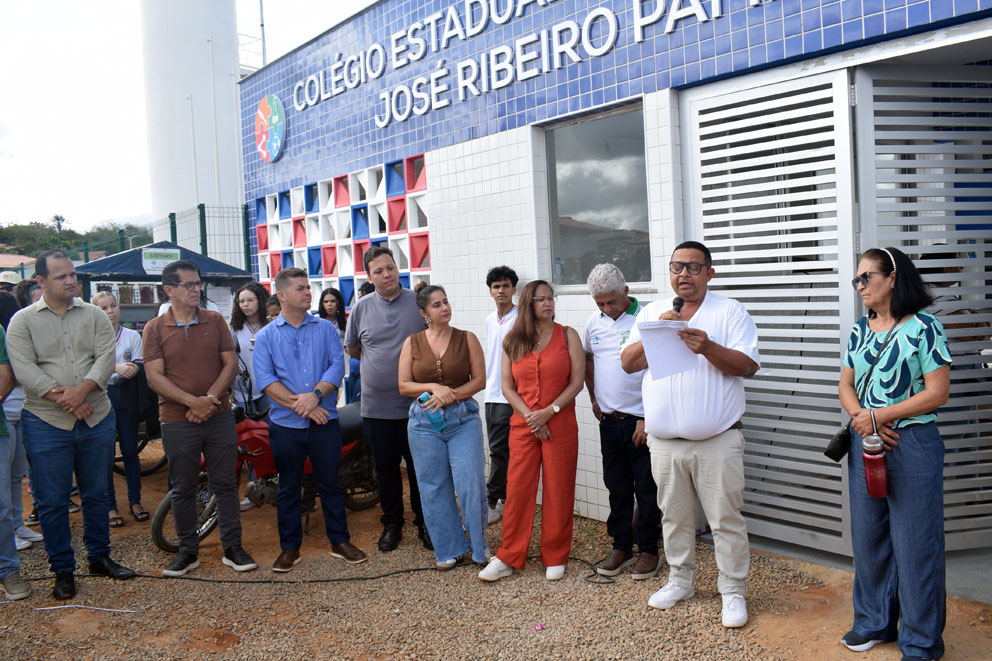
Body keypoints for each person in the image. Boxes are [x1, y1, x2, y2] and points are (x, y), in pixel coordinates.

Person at [620, 240, 759, 628]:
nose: (684, 274)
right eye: (677, 267)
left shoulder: (729, 311)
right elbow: (628, 364)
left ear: (710, 273)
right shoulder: (651, 312)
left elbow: (748, 366)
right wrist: (657, 332)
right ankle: (681, 580)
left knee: (725, 519)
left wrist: (708, 346)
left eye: (694, 268)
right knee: (674, 518)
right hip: (664, 442)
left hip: (717, 439)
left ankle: (732, 590)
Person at [837, 247, 950, 659]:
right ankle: (874, 622)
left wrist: (878, 415)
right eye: (857, 279)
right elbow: (845, 385)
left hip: (912, 445)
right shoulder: (859, 330)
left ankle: (921, 642)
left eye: (867, 277)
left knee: (916, 544)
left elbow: (937, 393)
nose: (860, 286)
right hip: (866, 442)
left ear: (894, 278)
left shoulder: (925, 328)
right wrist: (862, 418)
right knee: (869, 539)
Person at [6, 250, 135, 600]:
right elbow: (25, 369)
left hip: (96, 417)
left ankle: (99, 557)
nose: (70, 281)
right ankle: (62, 569)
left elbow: (105, 357)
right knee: (52, 499)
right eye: (61, 276)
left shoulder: (94, 315)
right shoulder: (22, 321)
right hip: (46, 421)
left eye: (72, 275)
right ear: (41, 281)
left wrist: (81, 394)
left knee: (97, 493)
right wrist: (66, 398)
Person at [143, 260, 257, 577]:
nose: (197, 289)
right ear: (169, 290)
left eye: (198, 283)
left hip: (218, 415)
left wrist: (208, 400)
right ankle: (187, 551)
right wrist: (192, 402)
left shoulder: (215, 320)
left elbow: (230, 364)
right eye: (189, 285)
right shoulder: (154, 328)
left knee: (224, 483)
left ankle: (232, 547)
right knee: (183, 487)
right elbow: (154, 377)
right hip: (177, 420)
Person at [253, 268, 367, 572]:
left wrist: (314, 396)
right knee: (289, 487)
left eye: (308, 287)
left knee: (330, 485)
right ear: (282, 295)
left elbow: (335, 367)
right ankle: (290, 549)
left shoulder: (327, 330)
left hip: (324, 422)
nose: (308, 293)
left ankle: (340, 542)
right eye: (301, 288)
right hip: (286, 427)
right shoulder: (265, 336)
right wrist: (305, 406)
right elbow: (266, 380)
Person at [479, 280, 584, 582]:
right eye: (540, 299)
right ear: (528, 303)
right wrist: (530, 417)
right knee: (518, 490)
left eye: (551, 298)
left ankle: (555, 554)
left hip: (559, 423)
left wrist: (549, 412)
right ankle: (508, 556)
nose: (548, 303)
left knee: (558, 488)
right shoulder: (513, 340)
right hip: (523, 425)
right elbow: (507, 387)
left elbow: (576, 382)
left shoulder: (568, 335)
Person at [344, 247, 429, 552]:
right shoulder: (362, 308)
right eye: (378, 271)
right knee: (386, 469)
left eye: (390, 267)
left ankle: (425, 522)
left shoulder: (418, 304)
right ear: (369, 276)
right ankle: (392, 523)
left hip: (417, 406)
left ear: (398, 268)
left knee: (421, 468)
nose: (386, 274)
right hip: (377, 407)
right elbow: (353, 348)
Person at [398, 283, 488, 569]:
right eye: (437, 305)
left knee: (470, 483)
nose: (445, 308)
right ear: (424, 312)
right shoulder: (411, 343)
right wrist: (434, 387)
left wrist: (452, 395)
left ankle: (478, 547)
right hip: (423, 423)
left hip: (463, 419)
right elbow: (403, 385)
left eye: (446, 302)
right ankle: (447, 548)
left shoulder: (467, 338)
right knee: (433, 486)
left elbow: (480, 381)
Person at [582, 264, 661, 579]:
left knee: (646, 488)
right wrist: (593, 398)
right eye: (600, 303)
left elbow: (657, 368)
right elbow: (589, 359)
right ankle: (621, 546)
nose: (606, 308)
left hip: (640, 422)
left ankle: (649, 549)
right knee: (616, 486)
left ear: (626, 292)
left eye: (611, 302)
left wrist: (646, 415)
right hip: (609, 421)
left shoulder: (646, 318)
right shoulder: (594, 323)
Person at [91, 292, 147, 527]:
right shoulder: (91, 337)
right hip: (100, 396)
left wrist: (127, 370)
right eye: (103, 308)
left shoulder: (132, 335)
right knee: (104, 454)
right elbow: (90, 366)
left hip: (126, 395)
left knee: (130, 451)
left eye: (113, 306)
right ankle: (110, 506)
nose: (110, 311)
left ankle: (135, 501)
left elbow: (137, 364)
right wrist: (114, 368)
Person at [482, 266, 518, 526]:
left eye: (506, 285)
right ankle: (502, 499)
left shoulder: (521, 318)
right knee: (498, 450)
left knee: (505, 451)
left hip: (512, 396)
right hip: (491, 394)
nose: (501, 290)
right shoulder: (489, 319)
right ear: (491, 291)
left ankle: (494, 501)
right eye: (496, 286)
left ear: (514, 289)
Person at [229, 282, 271, 415]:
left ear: (261, 300)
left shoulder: (272, 327)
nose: (245, 304)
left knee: (270, 430)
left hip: (270, 388)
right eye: (241, 301)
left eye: (250, 300)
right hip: (241, 391)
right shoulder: (234, 330)